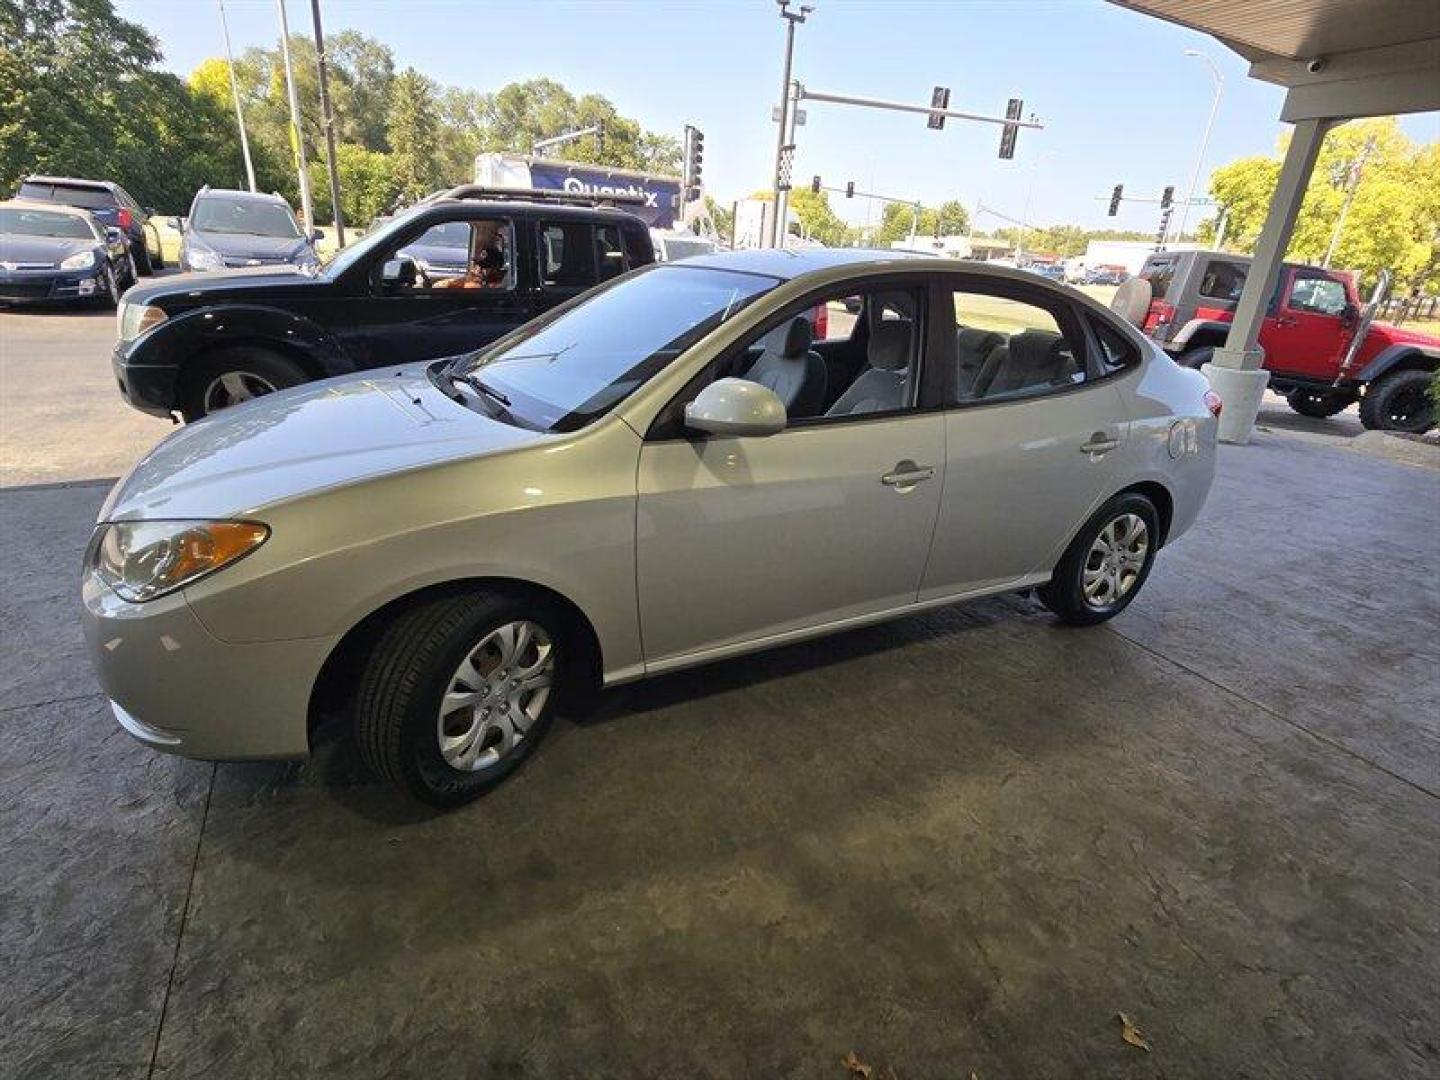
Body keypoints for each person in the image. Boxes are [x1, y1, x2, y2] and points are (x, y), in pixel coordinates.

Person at [434, 220, 508, 289]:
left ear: (495, 269)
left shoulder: (494, 286)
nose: (478, 269)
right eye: (477, 265)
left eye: (484, 267)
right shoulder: (475, 279)